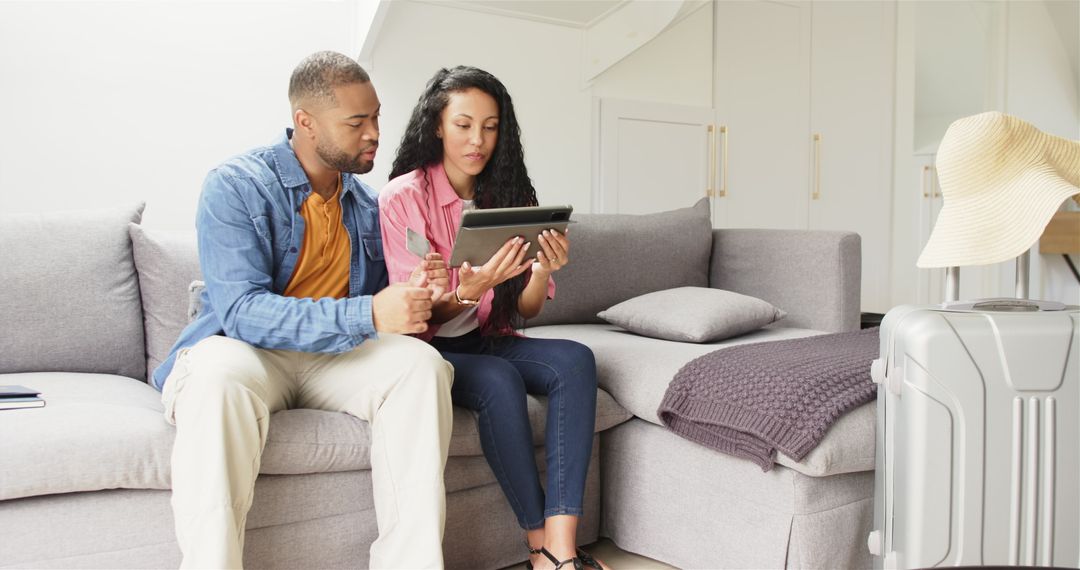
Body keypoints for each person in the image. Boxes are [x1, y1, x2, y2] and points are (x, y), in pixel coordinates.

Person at [154, 51, 455, 569]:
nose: (374, 133)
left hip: (331, 358)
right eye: (356, 122)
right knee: (216, 378)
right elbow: (243, 311)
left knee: (421, 367)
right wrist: (369, 315)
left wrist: (424, 293)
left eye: (376, 116)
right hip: (249, 351)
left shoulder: (366, 204)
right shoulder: (236, 185)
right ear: (305, 122)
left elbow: (385, 303)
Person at [379, 66, 606, 570]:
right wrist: (468, 288)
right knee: (500, 380)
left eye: (490, 125)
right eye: (463, 125)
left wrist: (540, 269)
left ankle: (560, 548)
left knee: (576, 360)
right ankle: (536, 543)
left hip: (488, 338)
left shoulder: (512, 197)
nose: (477, 140)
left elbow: (524, 310)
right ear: (437, 126)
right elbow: (415, 318)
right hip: (429, 348)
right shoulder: (403, 197)